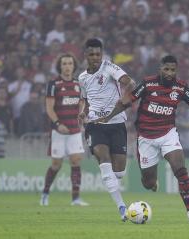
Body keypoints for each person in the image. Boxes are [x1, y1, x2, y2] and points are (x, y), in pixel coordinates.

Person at [95, 55, 189, 224]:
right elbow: (126, 102)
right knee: (148, 182)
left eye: (173, 70)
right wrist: (108, 117)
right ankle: (153, 183)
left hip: (168, 134)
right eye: (166, 69)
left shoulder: (181, 88)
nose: (169, 73)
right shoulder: (148, 84)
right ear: (160, 69)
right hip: (146, 138)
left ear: (176, 71)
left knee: (181, 171)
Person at [78, 38, 136, 221]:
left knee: (119, 171)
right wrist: (82, 112)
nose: (95, 57)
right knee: (103, 159)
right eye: (92, 54)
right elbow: (86, 100)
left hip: (117, 123)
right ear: (86, 55)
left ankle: (113, 188)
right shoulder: (82, 78)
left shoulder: (110, 67)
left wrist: (125, 99)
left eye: (98, 54)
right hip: (95, 124)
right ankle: (121, 207)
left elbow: (130, 82)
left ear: (101, 54)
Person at [40, 54, 89, 207]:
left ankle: (75, 198)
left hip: (74, 130)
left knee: (76, 161)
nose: (67, 66)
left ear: (74, 66)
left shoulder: (79, 84)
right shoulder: (53, 84)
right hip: (59, 131)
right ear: (60, 66)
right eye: (64, 63)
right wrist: (57, 123)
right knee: (56, 164)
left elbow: (82, 103)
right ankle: (45, 194)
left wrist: (82, 118)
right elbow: (49, 108)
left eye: (70, 63)